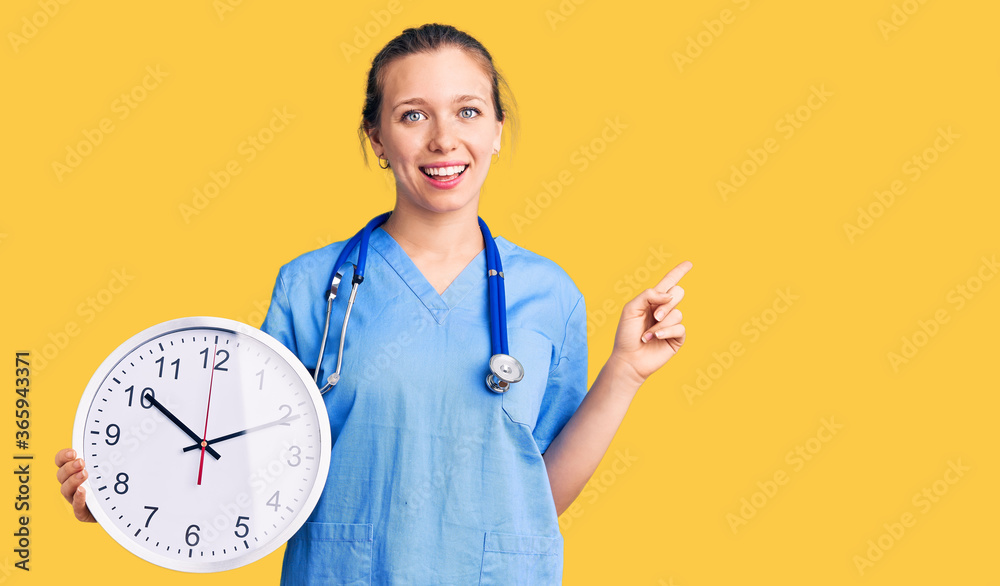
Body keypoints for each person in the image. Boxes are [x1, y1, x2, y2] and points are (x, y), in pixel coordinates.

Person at [54, 23, 691, 584]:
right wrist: (123, 499)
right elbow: (242, 474)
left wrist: (626, 372)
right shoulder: (309, 287)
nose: (444, 139)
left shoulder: (549, 294)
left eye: (468, 111)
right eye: (413, 115)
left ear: (498, 129)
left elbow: (537, 494)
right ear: (377, 138)